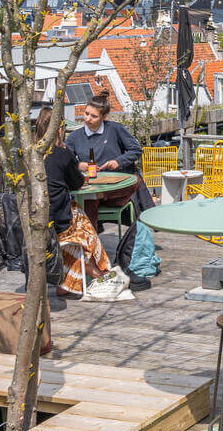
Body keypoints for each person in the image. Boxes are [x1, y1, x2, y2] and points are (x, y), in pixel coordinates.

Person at [34, 106, 116, 297]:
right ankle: (100, 272)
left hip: (34, 222)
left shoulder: (32, 154)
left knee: (77, 226)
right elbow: (77, 183)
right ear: (60, 129)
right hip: (57, 223)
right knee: (83, 227)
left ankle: (68, 282)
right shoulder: (61, 154)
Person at [64, 90, 153, 228]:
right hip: (90, 188)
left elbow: (136, 150)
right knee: (88, 199)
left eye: (93, 116)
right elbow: (66, 163)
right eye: (86, 113)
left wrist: (118, 162)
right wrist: (79, 165)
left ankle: (92, 237)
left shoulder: (115, 129)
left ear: (104, 117)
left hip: (114, 188)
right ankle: (92, 241)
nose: (88, 119)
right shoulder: (74, 137)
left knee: (135, 181)